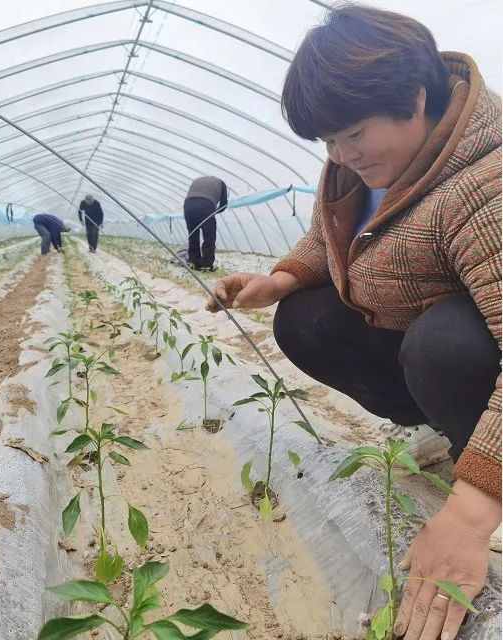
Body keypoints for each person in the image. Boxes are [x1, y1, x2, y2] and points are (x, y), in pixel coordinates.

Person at [206, 6, 501, 640]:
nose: (341, 155)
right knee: (304, 318)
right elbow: (335, 234)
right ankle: (454, 440)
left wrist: (470, 519)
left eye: (353, 135)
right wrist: (280, 278)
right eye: (328, 142)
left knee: (443, 345)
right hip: (430, 349)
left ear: (415, 97)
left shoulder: (486, 184)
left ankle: (484, 470)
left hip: (473, 355)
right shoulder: (364, 158)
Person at [184, 176, 228, 270]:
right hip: (206, 204)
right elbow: (223, 205)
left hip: (188, 204)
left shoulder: (196, 180)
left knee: (193, 235)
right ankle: (206, 265)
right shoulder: (222, 184)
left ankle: (193, 262)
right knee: (209, 236)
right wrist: (212, 212)